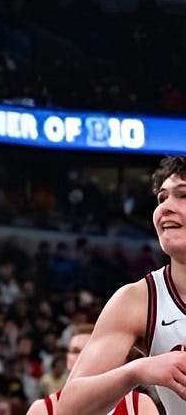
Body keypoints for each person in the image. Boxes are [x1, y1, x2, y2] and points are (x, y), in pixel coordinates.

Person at [54, 157, 186, 414]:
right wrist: (135, 371)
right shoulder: (138, 300)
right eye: (161, 198)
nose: (165, 207)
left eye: (182, 195)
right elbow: (68, 409)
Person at [27, 324, 156, 414]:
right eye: (75, 351)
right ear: (67, 359)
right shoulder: (43, 409)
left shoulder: (138, 404)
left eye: (87, 351)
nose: (80, 357)